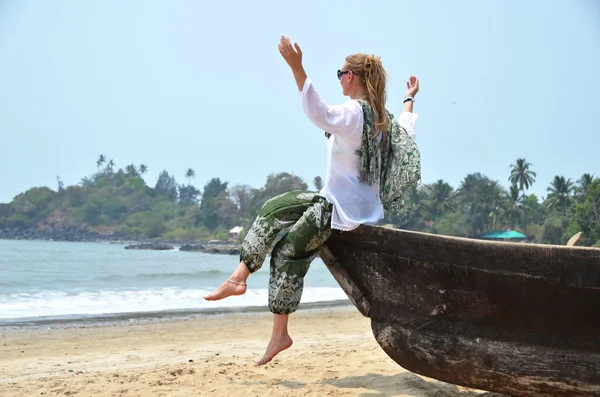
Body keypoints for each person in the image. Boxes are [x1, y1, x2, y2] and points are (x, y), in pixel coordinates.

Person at [204, 36, 420, 366]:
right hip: (336, 201)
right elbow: (406, 130)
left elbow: (319, 112)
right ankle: (238, 278)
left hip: (336, 211)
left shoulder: (352, 113)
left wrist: (296, 67)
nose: (339, 79)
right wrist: (409, 98)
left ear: (351, 77)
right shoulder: (381, 119)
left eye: (340, 73)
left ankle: (280, 335)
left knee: (288, 252)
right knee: (273, 209)